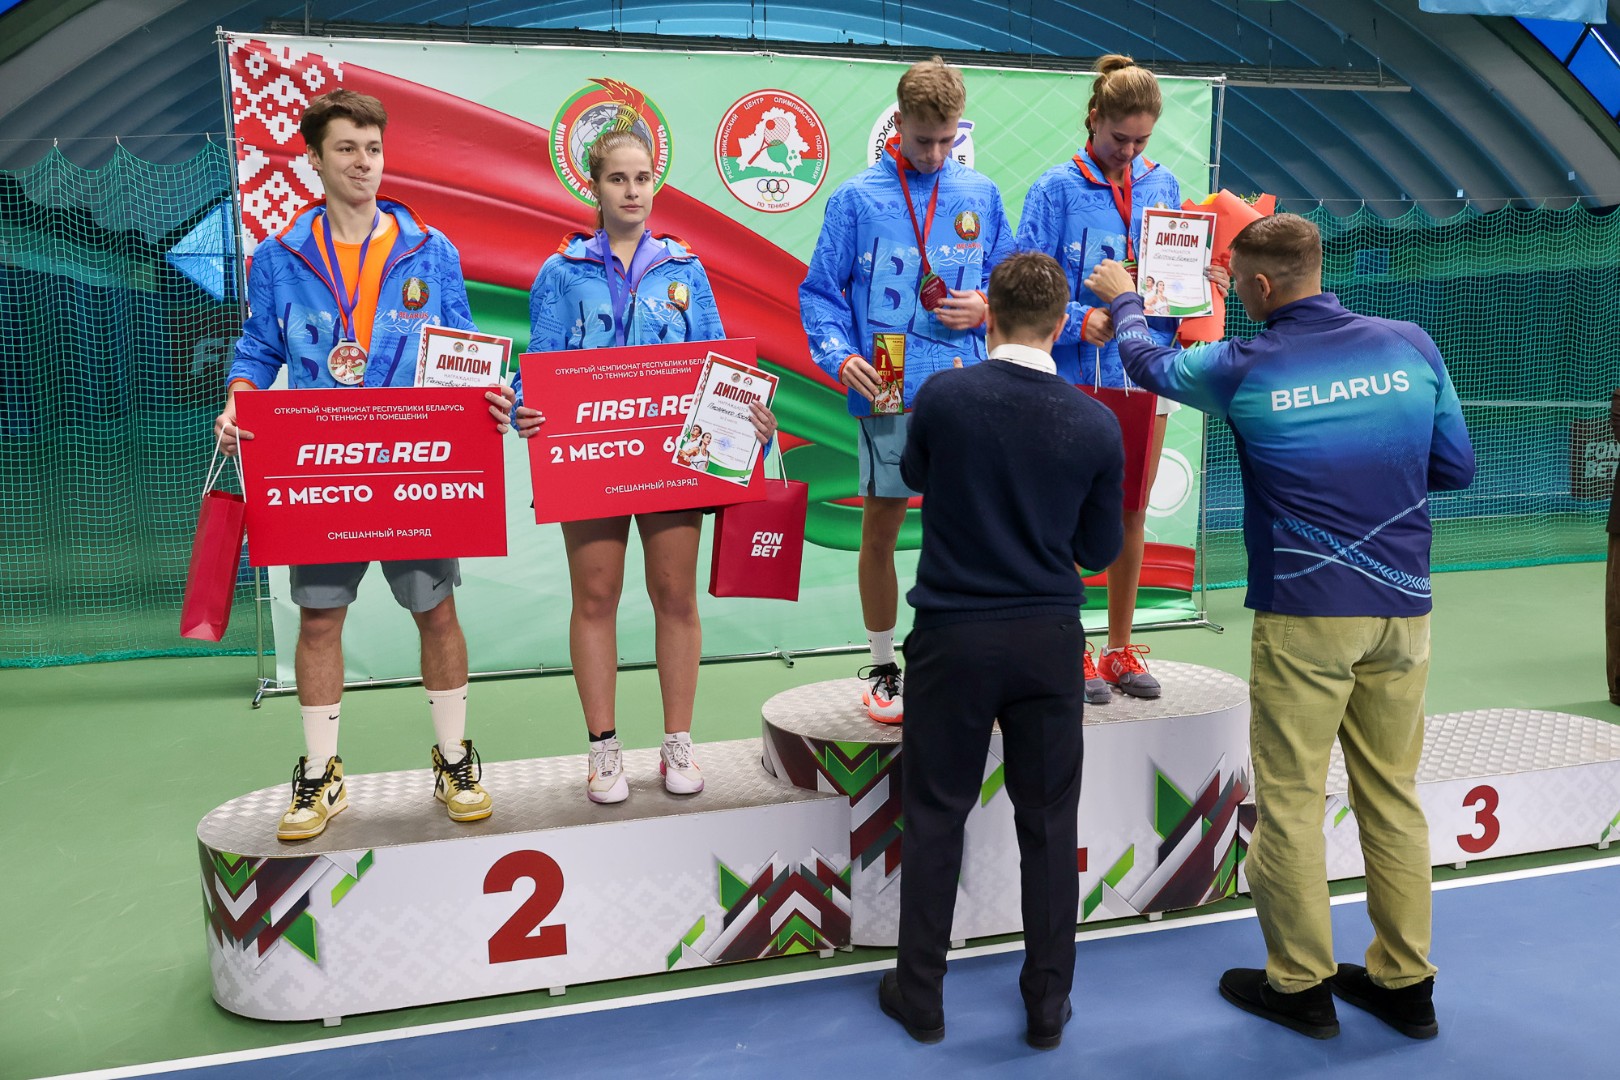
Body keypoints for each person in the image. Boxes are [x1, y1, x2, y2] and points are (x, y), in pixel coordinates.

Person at [1086, 213, 1475, 1040]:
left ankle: (1299, 986)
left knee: (1293, 802)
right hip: (1405, 612)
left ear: (1260, 286)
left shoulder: (1241, 364)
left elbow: (1147, 364)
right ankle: (1407, 985)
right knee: (1392, 796)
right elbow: (1455, 468)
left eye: (1237, 284)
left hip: (1307, 616)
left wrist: (1124, 301)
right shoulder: (1411, 343)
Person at [214, 89, 514, 842]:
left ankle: (454, 760)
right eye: (346, 149)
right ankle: (321, 773)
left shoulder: (430, 250)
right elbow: (257, 349)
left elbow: (463, 344)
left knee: (436, 612)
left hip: (414, 463)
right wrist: (238, 402)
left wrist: (492, 389)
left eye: (373, 149)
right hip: (324, 466)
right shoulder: (279, 258)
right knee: (320, 620)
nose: (363, 163)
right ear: (314, 159)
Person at [877, 252, 1124, 1049]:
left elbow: (914, 471)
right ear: (1061, 323)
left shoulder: (945, 397)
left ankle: (921, 997)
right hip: (1048, 640)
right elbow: (1097, 550)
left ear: (989, 314)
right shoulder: (1095, 422)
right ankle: (1048, 1006)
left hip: (952, 636)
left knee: (934, 815)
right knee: (1048, 824)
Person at [513, 129, 775, 804]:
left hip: (672, 460)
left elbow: (718, 361)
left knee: (675, 596)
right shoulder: (560, 271)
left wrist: (750, 414)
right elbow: (536, 363)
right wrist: (523, 407)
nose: (632, 191)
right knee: (595, 597)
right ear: (593, 186)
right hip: (588, 458)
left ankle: (677, 743)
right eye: (617, 179)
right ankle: (603, 751)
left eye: (642, 177)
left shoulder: (686, 268)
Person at [800, 56, 1015, 724]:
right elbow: (819, 293)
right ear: (897, 122)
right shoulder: (855, 199)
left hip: (965, 387)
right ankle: (883, 664)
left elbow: (1011, 282)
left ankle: (958, 658)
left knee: (968, 528)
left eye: (948, 139)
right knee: (883, 527)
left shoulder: (980, 193)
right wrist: (840, 356)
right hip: (887, 381)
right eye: (923, 139)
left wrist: (988, 307)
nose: (935, 153)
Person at [1016, 54, 1227, 705]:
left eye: (1141, 141)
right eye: (1119, 138)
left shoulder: (1163, 185)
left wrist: (1203, 285)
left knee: (1131, 511)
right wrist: (1079, 322)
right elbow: (1021, 285)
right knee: (1064, 515)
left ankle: (1119, 648)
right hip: (1070, 381)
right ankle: (1068, 646)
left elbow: (1171, 287)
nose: (1129, 153)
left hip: (1143, 379)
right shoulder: (1054, 190)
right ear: (1093, 118)